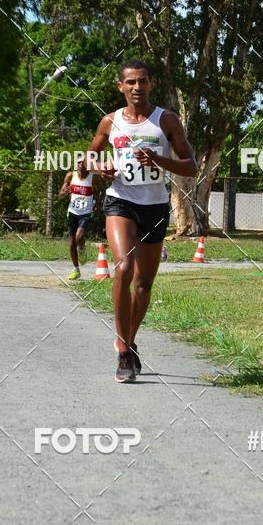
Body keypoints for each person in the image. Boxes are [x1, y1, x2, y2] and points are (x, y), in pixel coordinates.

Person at [86, 59, 197, 382]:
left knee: (144, 284)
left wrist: (158, 159)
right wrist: (99, 167)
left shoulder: (166, 120)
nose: (137, 87)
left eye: (143, 81)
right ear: (120, 87)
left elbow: (190, 165)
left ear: (150, 84)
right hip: (120, 200)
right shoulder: (110, 122)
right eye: (131, 82)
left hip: (155, 206)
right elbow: (88, 156)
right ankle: (122, 350)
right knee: (122, 268)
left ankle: (130, 341)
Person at [59, 158, 95, 280]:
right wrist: (64, 192)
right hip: (72, 212)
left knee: (79, 237)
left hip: (86, 212)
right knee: (72, 243)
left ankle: (82, 250)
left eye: (83, 163)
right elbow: (61, 194)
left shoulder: (93, 177)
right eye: (78, 163)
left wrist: (98, 203)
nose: (80, 165)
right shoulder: (70, 176)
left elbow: (101, 190)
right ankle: (76, 270)